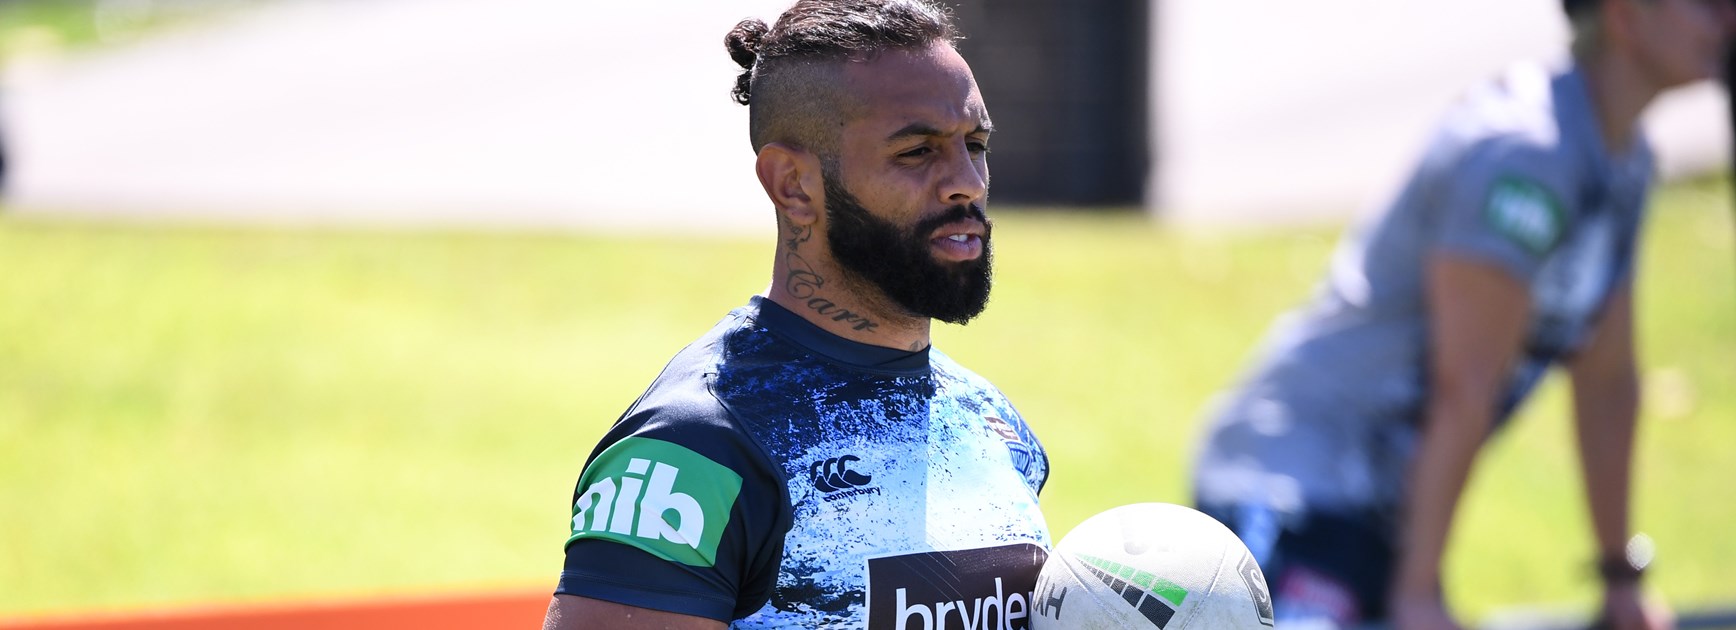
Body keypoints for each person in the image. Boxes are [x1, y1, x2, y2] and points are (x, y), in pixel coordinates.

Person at [1189, 0, 1736, 629]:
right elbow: (1464, 384)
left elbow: (1607, 382)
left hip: (1377, 518)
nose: (1728, 20)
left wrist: (1621, 578)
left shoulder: (1624, 159)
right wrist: (1419, 592)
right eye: (1707, 4)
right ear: (1625, 15)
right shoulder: (1525, 153)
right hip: (1292, 487)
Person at [541, 2, 1049, 629]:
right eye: (918, 151)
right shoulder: (694, 450)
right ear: (793, 184)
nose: (967, 182)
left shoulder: (993, 423)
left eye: (975, 145)